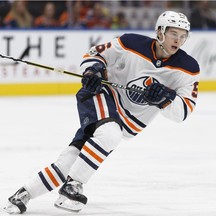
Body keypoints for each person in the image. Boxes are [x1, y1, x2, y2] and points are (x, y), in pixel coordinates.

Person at [3, 10, 200, 214]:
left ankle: (22, 195)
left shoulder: (188, 68)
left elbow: (182, 112)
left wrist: (164, 99)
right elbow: (95, 54)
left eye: (183, 35)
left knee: (71, 159)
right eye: (174, 34)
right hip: (101, 94)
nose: (178, 39)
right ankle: (73, 186)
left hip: (126, 121)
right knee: (110, 133)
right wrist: (93, 70)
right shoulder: (131, 43)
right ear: (160, 32)